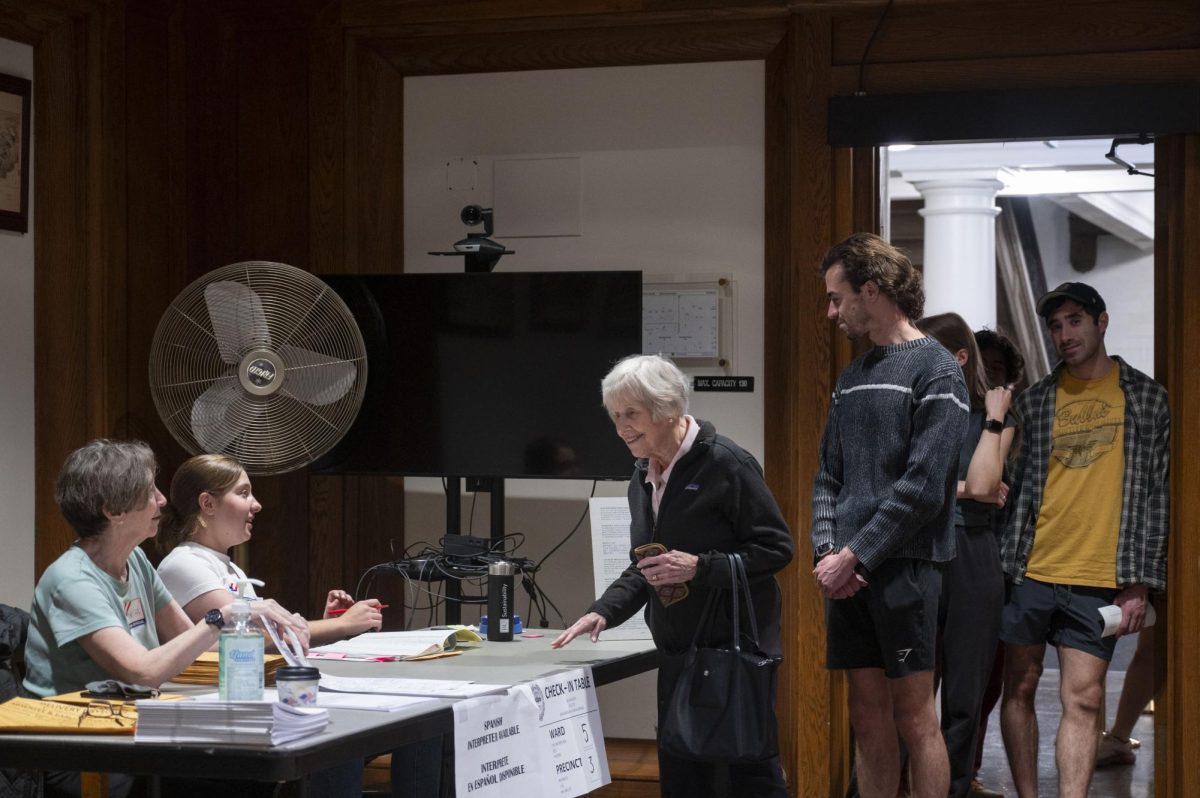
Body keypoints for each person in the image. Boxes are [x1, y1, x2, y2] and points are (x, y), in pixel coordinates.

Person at [552, 354, 793, 797]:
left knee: (746, 775)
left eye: (631, 414)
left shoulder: (726, 463)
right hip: (678, 647)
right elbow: (646, 563)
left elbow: (776, 548)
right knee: (683, 772)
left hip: (732, 648)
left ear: (666, 409)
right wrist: (604, 611)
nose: (622, 427)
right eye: (615, 416)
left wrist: (700, 568)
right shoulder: (641, 473)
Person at [22, 440, 308, 798]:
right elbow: (141, 671)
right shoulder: (72, 579)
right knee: (239, 779)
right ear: (113, 510)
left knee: (265, 768)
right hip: (80, 747)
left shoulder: (136, 562)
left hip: (134, 727)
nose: (161, 500)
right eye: (149, 491)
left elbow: (189, 644)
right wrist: (225, 614)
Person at [812, 232, 968, 798]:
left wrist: (855, 554)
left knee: (915, 718)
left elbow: (924, 489)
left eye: (837, 298)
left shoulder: (937, 371)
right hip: (848, 576)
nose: (832, 312)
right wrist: (829, 552)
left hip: (905, 570)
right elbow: (829, 475)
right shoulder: (852, 375)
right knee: (867, 715)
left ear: (871, 290)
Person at [999, 282, 1168, 798]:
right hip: (1031, 567)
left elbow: (1156, 495)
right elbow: (1012, 484)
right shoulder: (1034, 402)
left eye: (1074, 321)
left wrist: (1140, 581)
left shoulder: (1144, 398)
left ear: (1102, 322)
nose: (1064, 334)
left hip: (1100, 573)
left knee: (1085, 700)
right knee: (1020, 687)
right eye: (1055, 325)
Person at [916, 313, 1016, 798]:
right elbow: (897, 485)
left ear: (957, 358)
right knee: (910, 689)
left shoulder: (995, 415)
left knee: (965, 695)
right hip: (918, 551)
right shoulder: (915, 406)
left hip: (973, 556)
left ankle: (953, 788)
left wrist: (994, 421)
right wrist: (966, 490)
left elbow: (983, 483)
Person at [157, 453, 384, 645]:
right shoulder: (184, 563)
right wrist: (340, 625)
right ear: (207, 504)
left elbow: (269, 638)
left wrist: (329, 624)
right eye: (243, 493)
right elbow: (246, 636)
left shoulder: (231, 569)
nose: (257, 505)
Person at [969, 326, 1028, 798]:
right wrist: (976, 491)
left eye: (1000, 372)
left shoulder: (1014, 423)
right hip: (952, 556)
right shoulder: (941, 412)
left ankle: (963, 772)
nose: (990, 379)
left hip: (1002, 561)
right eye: (982, 366)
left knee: (986, 682)